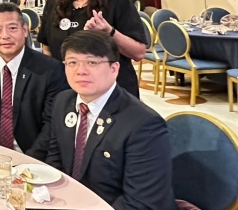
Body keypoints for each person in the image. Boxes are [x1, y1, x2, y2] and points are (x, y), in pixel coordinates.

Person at [46, 31, 176, 210]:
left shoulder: (144, 124)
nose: (80, 71)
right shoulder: (63, 101)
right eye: (72, 62)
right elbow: (55, 159)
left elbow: (140, 203)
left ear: (114, 69)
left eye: (92, 62)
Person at [0, 3, 68, 160]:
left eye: (12, 28)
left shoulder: (50, 69)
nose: (5, 36)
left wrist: (29, 160)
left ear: (24, 30)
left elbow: (51, 124)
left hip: (30, 155)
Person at [37, 0, 146, 98]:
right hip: (64, 90)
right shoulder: (53, 4)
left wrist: (109, 32)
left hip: (111, 92)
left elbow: (138, 53)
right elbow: (47, 47)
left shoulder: (118, 2)